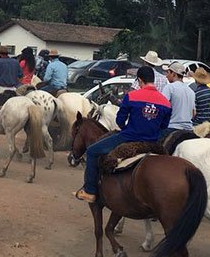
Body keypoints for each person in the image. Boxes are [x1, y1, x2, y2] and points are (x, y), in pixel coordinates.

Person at [75, 66, 172, 203]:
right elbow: (164, 126)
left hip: (129, 137)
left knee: (92, 151)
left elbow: (120, 119)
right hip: (153, 142)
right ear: (153, 80)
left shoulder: (131, 96)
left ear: (139, 80)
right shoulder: (166, 102)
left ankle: (90, 191)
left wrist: (126, 128)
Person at [160, 61, 195, 136]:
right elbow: (193, 113)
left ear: (173, 74)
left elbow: (162, 108)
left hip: (172, 127)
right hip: (189, 129)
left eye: (168, 72)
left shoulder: (169, 88)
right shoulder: (191, 91)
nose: (166, 76)